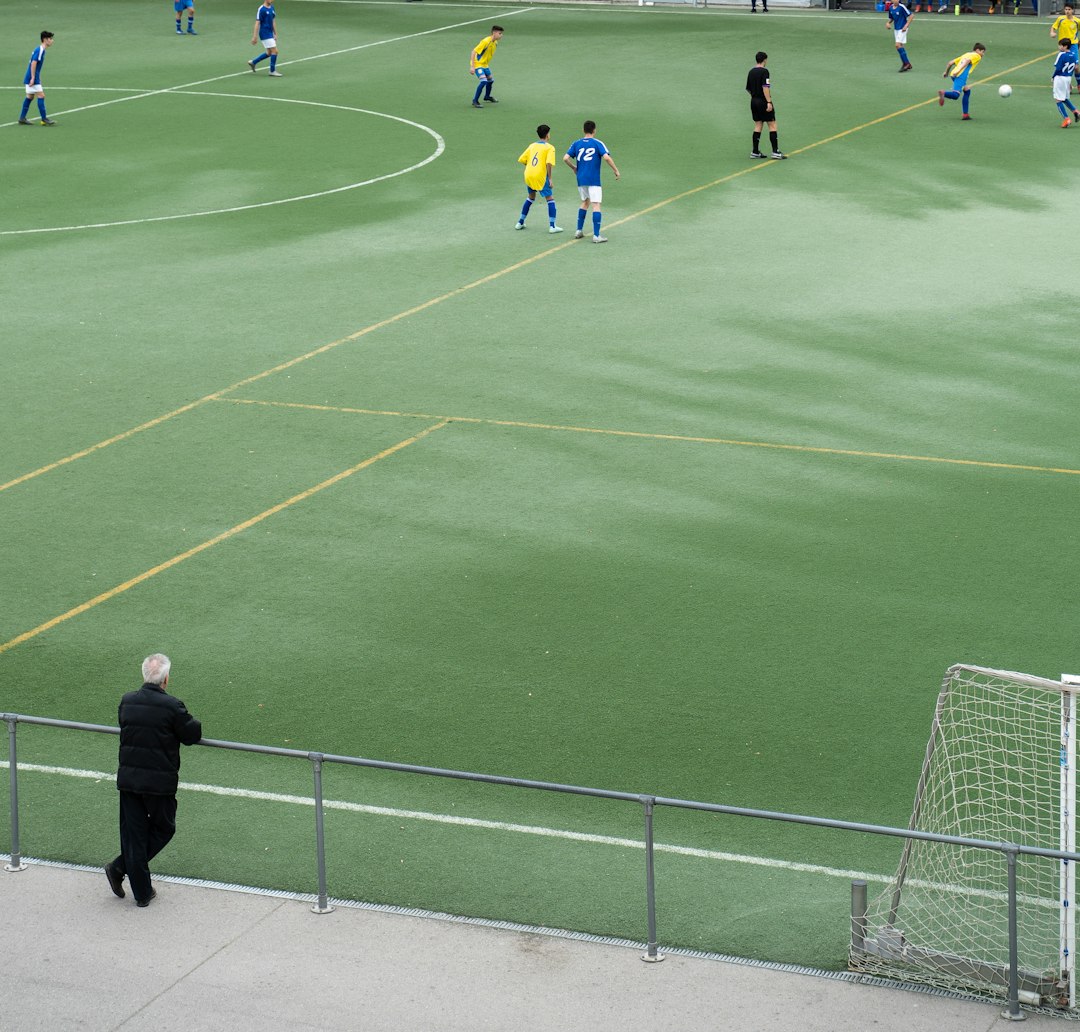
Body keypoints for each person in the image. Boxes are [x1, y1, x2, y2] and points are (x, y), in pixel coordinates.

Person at [104, 654, 202, 908]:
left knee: (134, 835)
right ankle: (122, 871)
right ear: (166, 679)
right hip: (159, 783)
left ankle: (139, 888)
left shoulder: (127, 701)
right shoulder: (172, 706)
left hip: (129, 780)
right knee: (164, 828)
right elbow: (192, 734)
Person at [562, 120, 620, 244]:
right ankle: (596, 235)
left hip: (581, 178)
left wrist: (574, 168)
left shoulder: (576, 143)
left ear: (583, 130)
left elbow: (565, 158)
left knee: (584, 202)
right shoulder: (598, 143)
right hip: (594, 179)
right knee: (596, 204)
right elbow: (606, 157)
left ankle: (578, 230)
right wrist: (616, 170)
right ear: (594, 130)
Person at [516, 124, 563, 234]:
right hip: (540, 176)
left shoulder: (532, 145)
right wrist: (550, 178)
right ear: (547, 135)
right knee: (550, 199)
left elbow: (522, 159)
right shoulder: (550, 147)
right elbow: (549, 163)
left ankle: (520, 222)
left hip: (528, 174)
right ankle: (552, 226)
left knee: (531, 197)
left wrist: (532, 168)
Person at [746, 52, 786, 160]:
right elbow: (765, 87)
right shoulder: (765, 72)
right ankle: (775, 151)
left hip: (753, 101)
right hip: (763, 101)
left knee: (758, 125)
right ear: (764, 60)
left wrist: (755, 98)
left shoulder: (751, 72)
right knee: (772, 124)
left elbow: (748, 89)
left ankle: (755, 151)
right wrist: (768, 102)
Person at [938, 43, 986, 121]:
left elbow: (950, 63)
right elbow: (967, 61)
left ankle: (965, 114)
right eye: (982, 52)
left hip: (953, 74)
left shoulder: (966, 54)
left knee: (967, 90)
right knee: (955, 95)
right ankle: (943, 93)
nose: (983, 54)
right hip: (960, 76)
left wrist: (946, 72)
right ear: (977, 50)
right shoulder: (977, 56)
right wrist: (959, 71)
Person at [18, 31, 56, 127]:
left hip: (30, 76)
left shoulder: (39, 49)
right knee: (41, 96)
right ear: (45, 40)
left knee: (30, 97)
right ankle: (44, 119)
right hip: (32, 77)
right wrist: (33, 77)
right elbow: (34, 63)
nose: (52, 41)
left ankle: (22, 118)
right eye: (50, 39)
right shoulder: (40, 50)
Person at [469, 25, 503, 108]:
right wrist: (472, 67)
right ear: (494, 33)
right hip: (478, 64)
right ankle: (475, 101)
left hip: (484, 65)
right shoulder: (485, 41)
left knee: (490, 80)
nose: (501, 35)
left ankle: (487, 97)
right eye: (500, 33)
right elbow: (473, 52)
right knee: (484, 81)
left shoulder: (495, 42)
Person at [1050, 5, 1080, 92]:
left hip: (1073, 45)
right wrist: (1052, 32)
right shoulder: (1060, 19)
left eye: (1069, 9)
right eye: (1066, 9)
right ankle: (1068, 85)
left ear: (1072, 10)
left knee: (1076, 66)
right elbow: (1053, 27)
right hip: (1063, 45)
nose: (1067, 11)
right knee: (1064, 64)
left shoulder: (1077, 21)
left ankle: (1079, 84)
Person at [248, 0, 282, 77]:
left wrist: (275, 33)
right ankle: (272, 71)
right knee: (275, 51)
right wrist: (254, 36)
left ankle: (253, 62)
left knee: (269, 53)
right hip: (264, 33)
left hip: (270, 33)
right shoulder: (261, 9)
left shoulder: (272, 8)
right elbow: (257, 23)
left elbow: (273, 21)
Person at [1052, 39, 1079, 127]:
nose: (1059, 47)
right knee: (1064, 98)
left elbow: (1058, 68)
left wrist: (1053, 77)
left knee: (1058, 99)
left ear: (1065, 46)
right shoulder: (1074, 55)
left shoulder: (1061, 54)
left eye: (1060, 45)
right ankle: (1076, 111)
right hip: (1068, 78)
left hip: (1060, 78)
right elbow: (1075, 67)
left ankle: (1066, 119)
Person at [887, 0, 914, 72]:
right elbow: (892, 17)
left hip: (902, 29)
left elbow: (911, 15)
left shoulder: (902, 7)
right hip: (896, 29)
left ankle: (906, 64)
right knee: (900, 46)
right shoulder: (890, 8)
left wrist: (906, 25)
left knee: (897, 45)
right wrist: (888, 23)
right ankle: (906, 63)